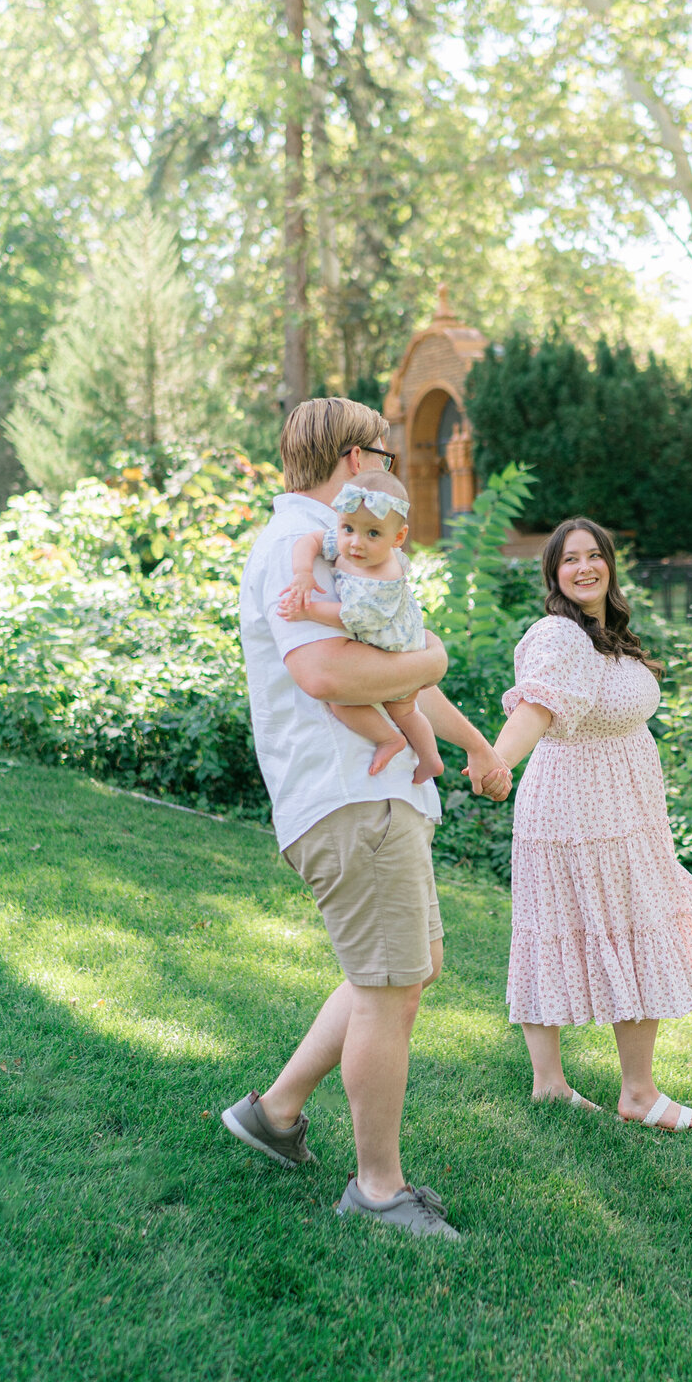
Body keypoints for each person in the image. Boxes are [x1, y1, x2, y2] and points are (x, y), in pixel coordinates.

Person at [222, 396, 511, 1241]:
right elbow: (326, 674)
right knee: (389, 990)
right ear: (356, 457)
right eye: (382, 452)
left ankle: (274, 1114)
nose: (386, 463)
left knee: (405, 970)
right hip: (349, 795)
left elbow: (396, 666)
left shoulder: (348, 542)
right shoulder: (302, 545)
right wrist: (437, 656)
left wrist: (476, 745)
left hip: (375, 791)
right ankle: (378, 1191)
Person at [490, 517, 692, 1131]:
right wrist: (497, 762)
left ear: (609, 566)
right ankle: (619, 1092)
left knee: (628, 926)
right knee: (576, 928)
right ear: (554, 572)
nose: (585, 567)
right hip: (577, 810)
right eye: (570, 559)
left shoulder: (607, 635)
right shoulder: (559, 635)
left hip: (627, 808)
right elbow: (536, 706)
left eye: (595, 556)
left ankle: (613, 1090)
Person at [277, 467, 442, 784]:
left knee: (346, 702)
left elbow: (351, 617)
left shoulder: (381, 576)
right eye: (348, 528)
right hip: (395, 642)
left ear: (398, 538)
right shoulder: (346, 543)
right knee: (406, 712)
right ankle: (430, 758)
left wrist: (308, 611)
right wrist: (302, 573)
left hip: (394, 648)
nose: (356, 543)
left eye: (373, 534)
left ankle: (390, 740)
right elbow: (309, 540)